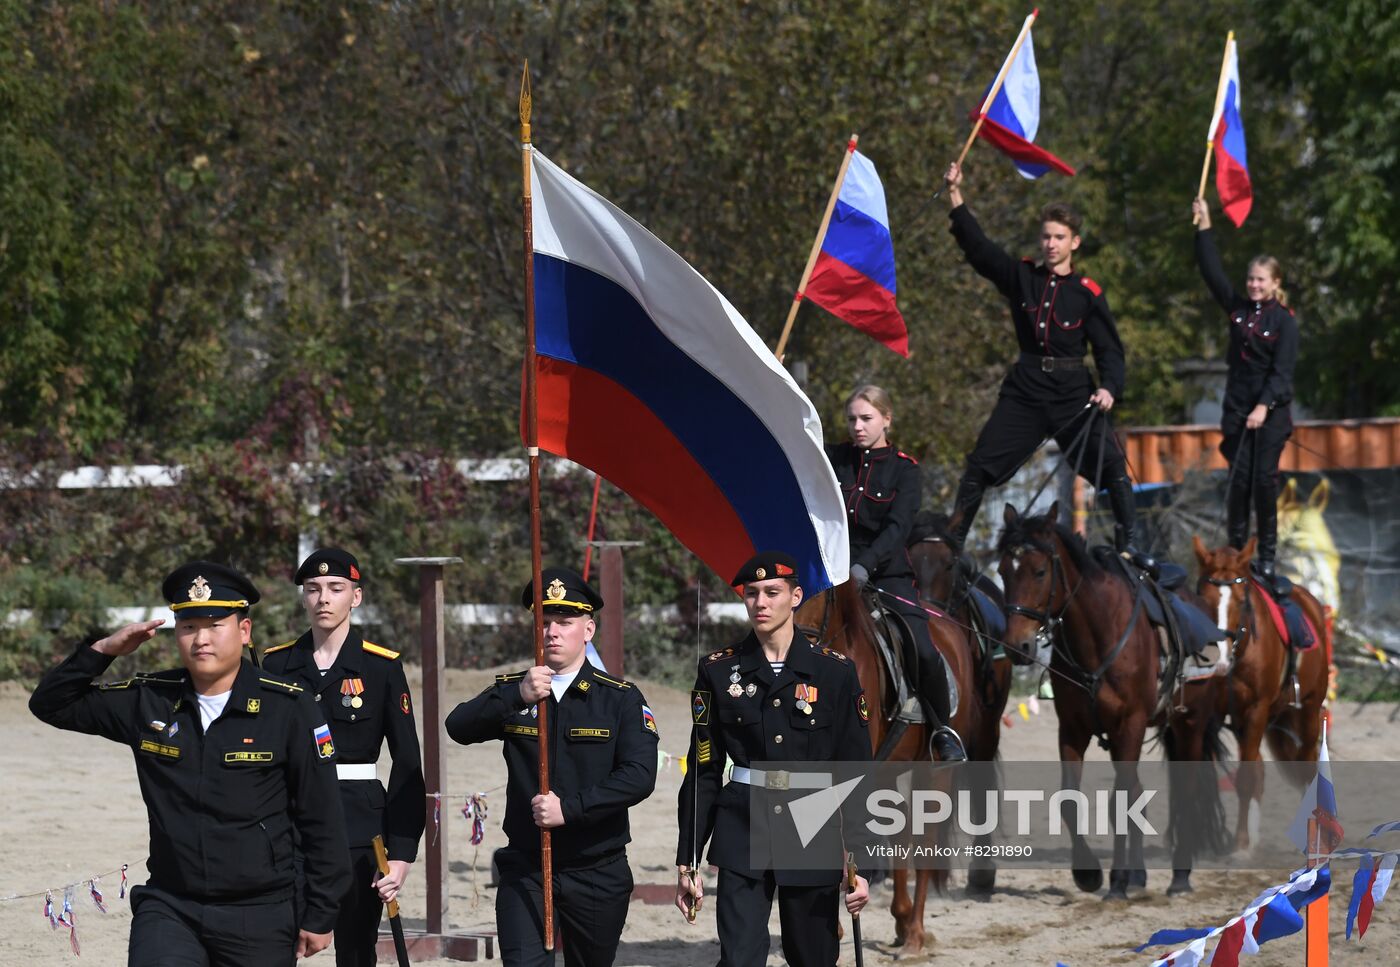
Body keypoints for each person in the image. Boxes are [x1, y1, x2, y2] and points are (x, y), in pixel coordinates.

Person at [29, 562, 350, 965]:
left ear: (244, 630)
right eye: (189, 626)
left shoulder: (289, 707)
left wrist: (320, 912)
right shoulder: (150, 700)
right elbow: (51, 704)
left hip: (259, 912)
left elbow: (322, 817)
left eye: (215, 625)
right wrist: (104, 650)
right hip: (170, 906)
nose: (201, 639)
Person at [445, 566, 658, 967]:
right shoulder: (516, 690)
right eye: (544, 622)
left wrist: (570, 809)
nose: (553, 632)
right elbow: (457, 727)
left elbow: (639, 776)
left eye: (565, 621)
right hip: (527, 868)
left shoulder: (619, 699)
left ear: (588, 629)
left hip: (596, 869)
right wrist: (517, 695)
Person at [675, 551, 871, 967]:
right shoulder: (717, 671)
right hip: (743, 827)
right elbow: (703, 770)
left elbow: (855, 773)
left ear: (796, 596)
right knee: (740, 958)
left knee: (813, 956)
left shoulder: (834, 672)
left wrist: (862, 859)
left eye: (772, 592)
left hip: (810, 828)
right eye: (751, 594)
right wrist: (688, 857)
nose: (760, 603)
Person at [941, 162, 1145, 563]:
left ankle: (1130, 548)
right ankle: (954, 543)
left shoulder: (1087, 294)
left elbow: (1110, 351)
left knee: (1113, 466)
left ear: (1075, 243)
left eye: (1059, 237)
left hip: (1073, 392)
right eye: (1046, 236)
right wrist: (955, 196)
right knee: (980, 466)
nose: (1050, 244)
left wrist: (1109, 388)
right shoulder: (1023, 277)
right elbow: (981, 252)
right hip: (1027, 390)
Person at [260, 548, 426, 966]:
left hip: (358, 827)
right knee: (276, 943)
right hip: (289, 823)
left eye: (336, 588)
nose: (323, 598)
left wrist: (403, 853)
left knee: (355, 948)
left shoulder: (381, 668)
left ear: (356, 597)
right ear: (303, 598)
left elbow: (407, 765)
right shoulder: (276, 666)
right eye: (313, 589)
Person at [826, 384, 965, 761]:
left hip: (886, 575)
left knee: (923, 648)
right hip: (830, 572)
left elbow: (898, 528)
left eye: (866, 418)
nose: (858, 426)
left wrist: (864, 566)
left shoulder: (905, 470)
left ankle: (942, 732)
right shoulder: (832, 458)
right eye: (852, 418)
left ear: (886, 419)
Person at [1192, 198, 1299, 587]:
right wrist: (1203, 227)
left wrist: (1263, 407)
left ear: (1275, 283)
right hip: (1237, 411)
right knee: (1238, 483)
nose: (1253, 285)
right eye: (1251, 279)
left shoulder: (1284, 322)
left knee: (1262, 482)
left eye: (1261, 280)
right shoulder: (1238, 311)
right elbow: (1212, 273)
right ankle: (1237, 552)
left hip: (1270, 414)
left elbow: (1282, 374)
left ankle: (1267, 556)